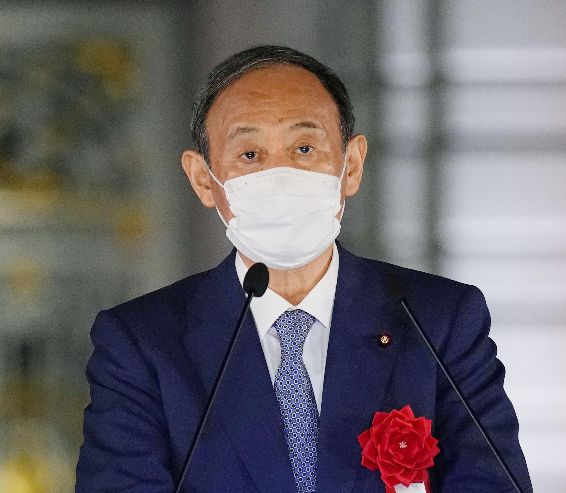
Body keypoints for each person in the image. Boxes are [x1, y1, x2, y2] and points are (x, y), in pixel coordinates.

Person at [75, 45, 532, 493]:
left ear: (351, 166)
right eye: (250, 155)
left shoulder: (439, 320)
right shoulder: (142, 344)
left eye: (305, 148)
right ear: (203, 180)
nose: (280, 176)